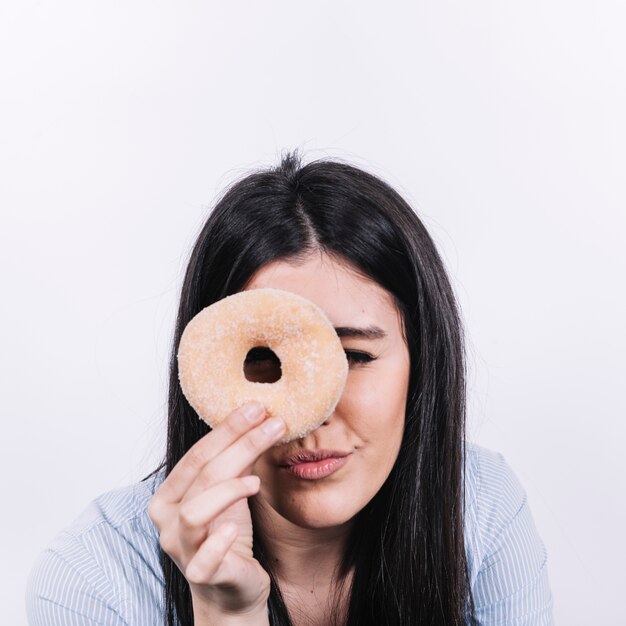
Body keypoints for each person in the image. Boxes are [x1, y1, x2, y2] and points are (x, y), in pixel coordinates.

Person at [26, 151, 554, 625]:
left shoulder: (478, 509)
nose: (315, 416)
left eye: (354, 356)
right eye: (265, 362)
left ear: (423, 363)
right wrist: (227, 613)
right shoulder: (94, 579)